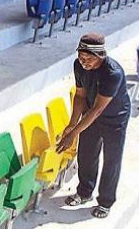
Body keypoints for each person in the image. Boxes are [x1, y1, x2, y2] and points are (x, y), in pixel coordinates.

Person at [56, 33, 131, 219]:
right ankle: (84, 192)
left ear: (100, 56)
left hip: (114, 118)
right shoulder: (78, 66)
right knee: (86, 154)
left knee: (111, 160)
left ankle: (105, 201)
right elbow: (80, 96)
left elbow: (98, 109)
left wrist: (73, 133)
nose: (84, 62)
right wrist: (71, 125)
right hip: (90, 113)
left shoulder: (112, 73)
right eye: (81, 57)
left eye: (89, 58)